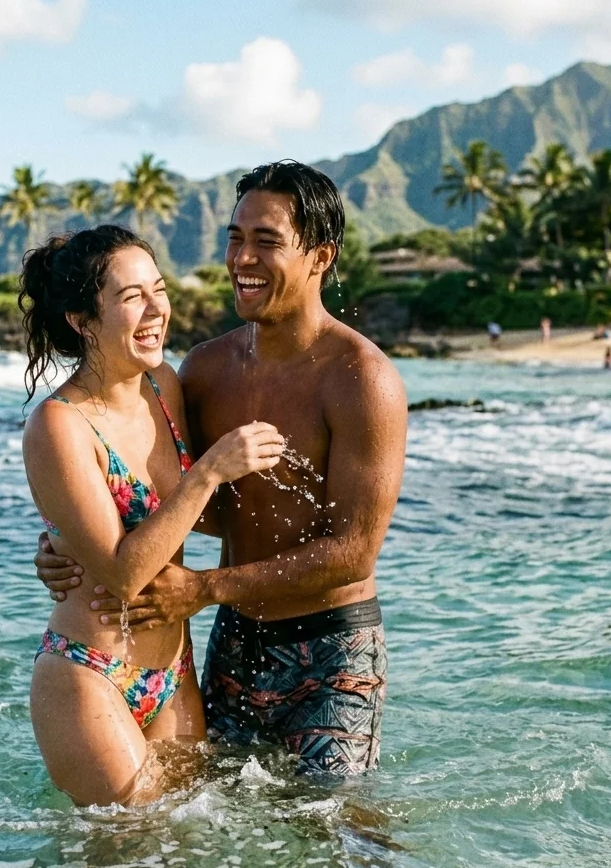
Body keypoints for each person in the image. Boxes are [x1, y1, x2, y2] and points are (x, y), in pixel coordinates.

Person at [36, 161, 407, 777]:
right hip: (233, 642)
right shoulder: (204, 370)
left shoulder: (361, 379)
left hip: (331, 646)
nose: (243, 259)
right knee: (216, 833)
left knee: (337, 829)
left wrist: (206, 589)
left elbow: (354, 551)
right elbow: (186, 502)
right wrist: (73, 536)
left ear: (319, 256)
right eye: (236, 238)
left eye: (267, 242)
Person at [19, 225, 285, 807]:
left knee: (182, 867)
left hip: (173, 669)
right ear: (82, 321)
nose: (155, 309)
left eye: (157, 289)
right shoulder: (58, 425)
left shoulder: (162, 386)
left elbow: (187, 518)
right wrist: (211, 469)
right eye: (130, 297)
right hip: (90, 674)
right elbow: (123, 573)